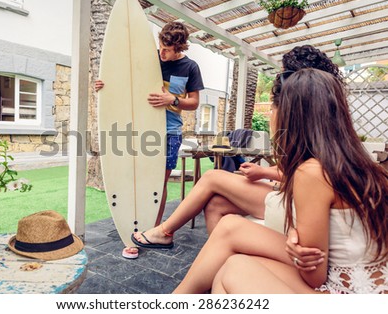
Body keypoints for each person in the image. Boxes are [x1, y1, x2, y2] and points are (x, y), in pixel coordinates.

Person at [174, 69, 388, 294]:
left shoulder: (312, 173)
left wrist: (297, 250)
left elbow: (315, 277)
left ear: (287, 115)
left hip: (345, 291)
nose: (269, 117)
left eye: (271, 107)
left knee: (233, 268)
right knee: (229, 232)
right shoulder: (368, 168)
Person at [131, 44, 344, 248]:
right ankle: (219, 261)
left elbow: (312, 177)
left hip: (301, 200)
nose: (278, 87)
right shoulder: (318, 125)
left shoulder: (311, 129)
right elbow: (299, 172)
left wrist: (268, 174)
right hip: (293, 192)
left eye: (283, 78)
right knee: (215, 204)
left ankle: (165, 231)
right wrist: (263, 172)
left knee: (212, 177)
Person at [95, 21, 204, 258]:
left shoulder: (190, 67)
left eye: (167, 49)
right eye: (160, 46)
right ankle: (130, 232)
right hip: (140, 131)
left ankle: (152, 232)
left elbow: (194, 103)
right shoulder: (149, 58)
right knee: (132, 177)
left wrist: (172, 100)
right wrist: (105, 85)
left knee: (158, 183)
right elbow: (124, 82)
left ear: (180, 48)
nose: (161, 53)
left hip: (170, 132)